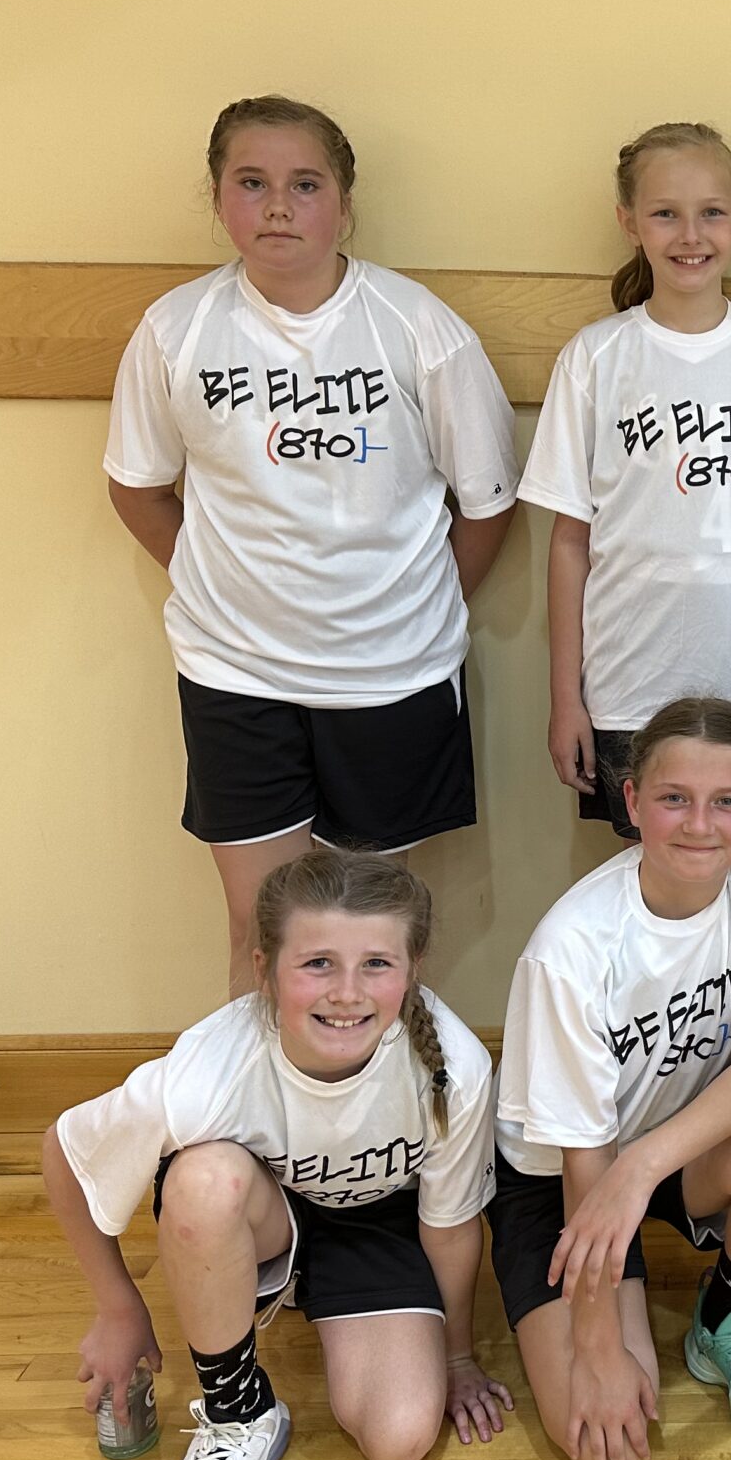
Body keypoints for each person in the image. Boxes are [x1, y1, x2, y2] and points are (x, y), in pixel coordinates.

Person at [104, 95, 520, 996]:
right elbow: (137, 487)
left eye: (305, 185)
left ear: (344, 201)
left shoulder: (416, 327)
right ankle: (256, 1095)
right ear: (219, 198)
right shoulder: (177, 329)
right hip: (235, 673)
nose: (279, 208)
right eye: (252, 183)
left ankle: (369, 1092)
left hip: (389, 674)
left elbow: (488, 504)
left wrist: (414, 604)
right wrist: (223, 584)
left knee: (361, 939)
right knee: (266, 933)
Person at [42, 850, 504, 1460]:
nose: (347, 993)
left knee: (400, 1438)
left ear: (413, 970)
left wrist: (459, 1356)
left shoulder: (455, 1069)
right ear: (265, 968)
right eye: (317, 963)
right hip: (261, 1212)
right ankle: (238, 1413)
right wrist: (118, 1308)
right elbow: (66, 1151)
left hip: (374, 1223)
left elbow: (449, 1229)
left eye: (376, 964)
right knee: (202, 1180)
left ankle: (314, 1301)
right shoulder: (205, 1072)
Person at [490, 696, 731, 1460]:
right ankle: (608, 1321)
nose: (700, 825)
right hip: (560, 1180)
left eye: (727, 802)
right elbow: (585, 1161)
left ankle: (726, 1322)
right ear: (633, 802)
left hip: (666, 1149)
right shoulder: (570, 949)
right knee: (605, 1447)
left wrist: (642, 1168)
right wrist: (597, 1350)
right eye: (675, 798)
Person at [524, 122, 731, 841]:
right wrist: (567, 699)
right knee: (659, 880)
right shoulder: (596, 357)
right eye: (665, 213)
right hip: (633, 689)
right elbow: (570, 544)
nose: (690, 234)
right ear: (629, 221)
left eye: (712, 212)